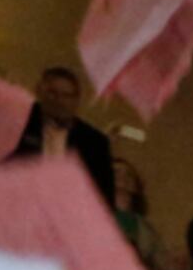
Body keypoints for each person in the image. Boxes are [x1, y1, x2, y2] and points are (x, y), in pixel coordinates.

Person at [7, 67, 116, 207]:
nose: (59, 101)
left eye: (67, 95)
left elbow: (104, 199)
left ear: (77, 100)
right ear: (39, 92)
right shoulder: (19, 124)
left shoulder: (95, 142)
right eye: (52, 93)